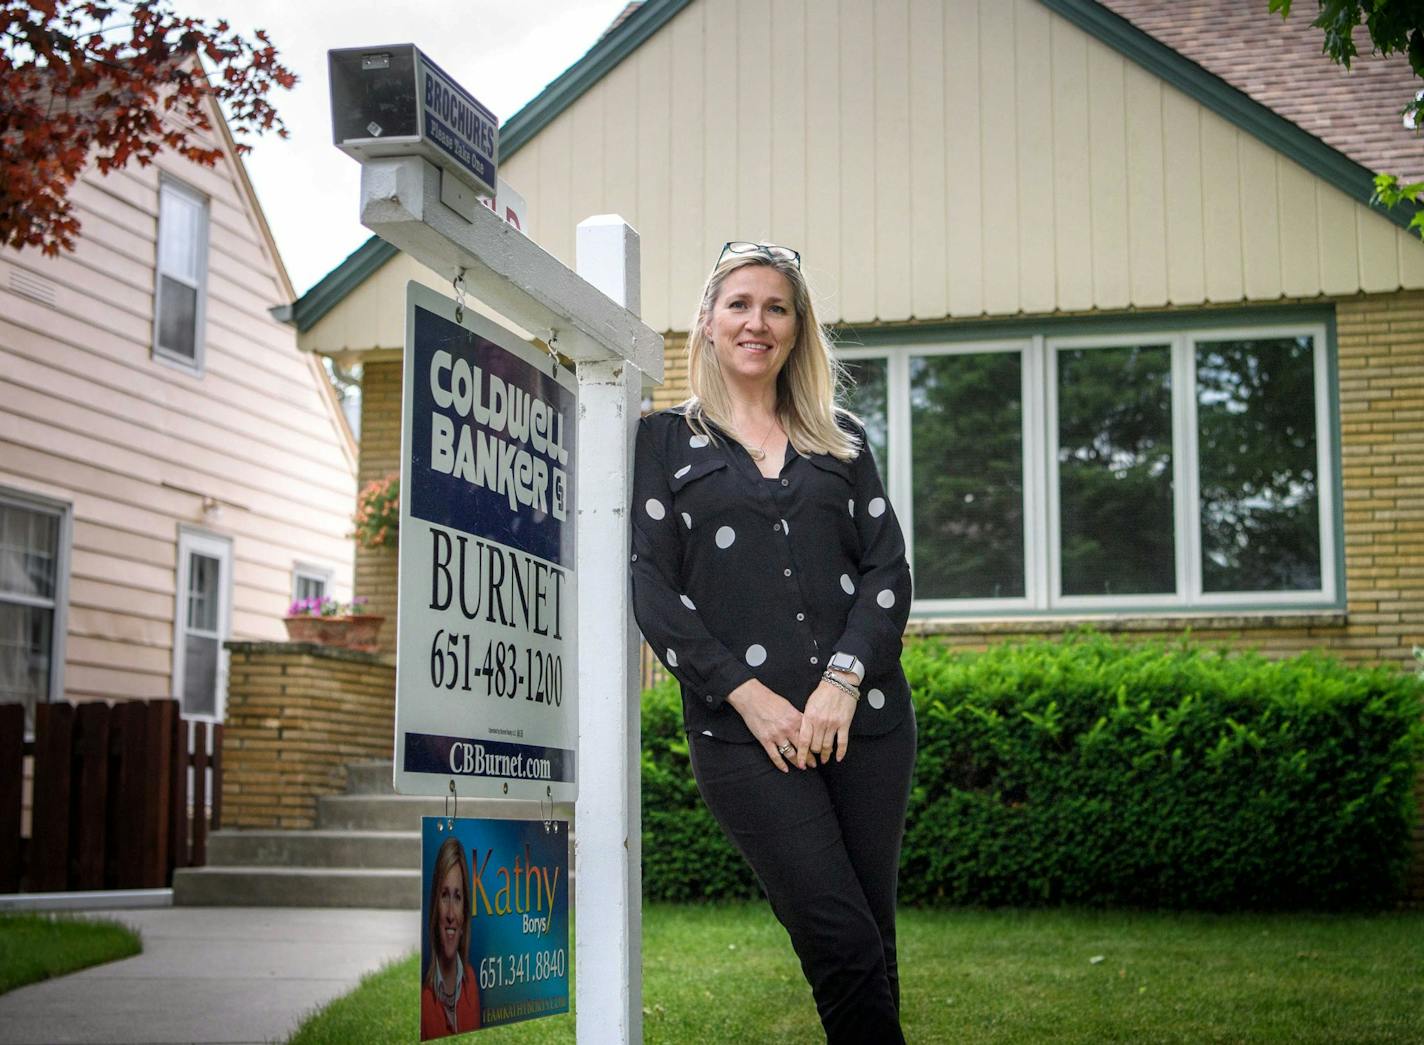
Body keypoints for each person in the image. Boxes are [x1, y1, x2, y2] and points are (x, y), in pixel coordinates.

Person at [631, 241, 916, 1043]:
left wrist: (842, 682)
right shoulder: (661, 442)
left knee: (871, 936)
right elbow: (653, 589)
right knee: (839, 936)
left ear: (797, 328)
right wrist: (751, 698)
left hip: (868, 724)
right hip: (743, 737)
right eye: (740, 304)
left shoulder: (843, 437)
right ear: (709, 323)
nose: (757, 321)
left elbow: (886, 570)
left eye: (777, 307)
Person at [420, 835, 481, 1039]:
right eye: (444, 895)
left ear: (465, 912)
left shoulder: (471, 982)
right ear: (434, 907)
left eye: (457, 897)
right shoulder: (424, 999)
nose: (450, 915)